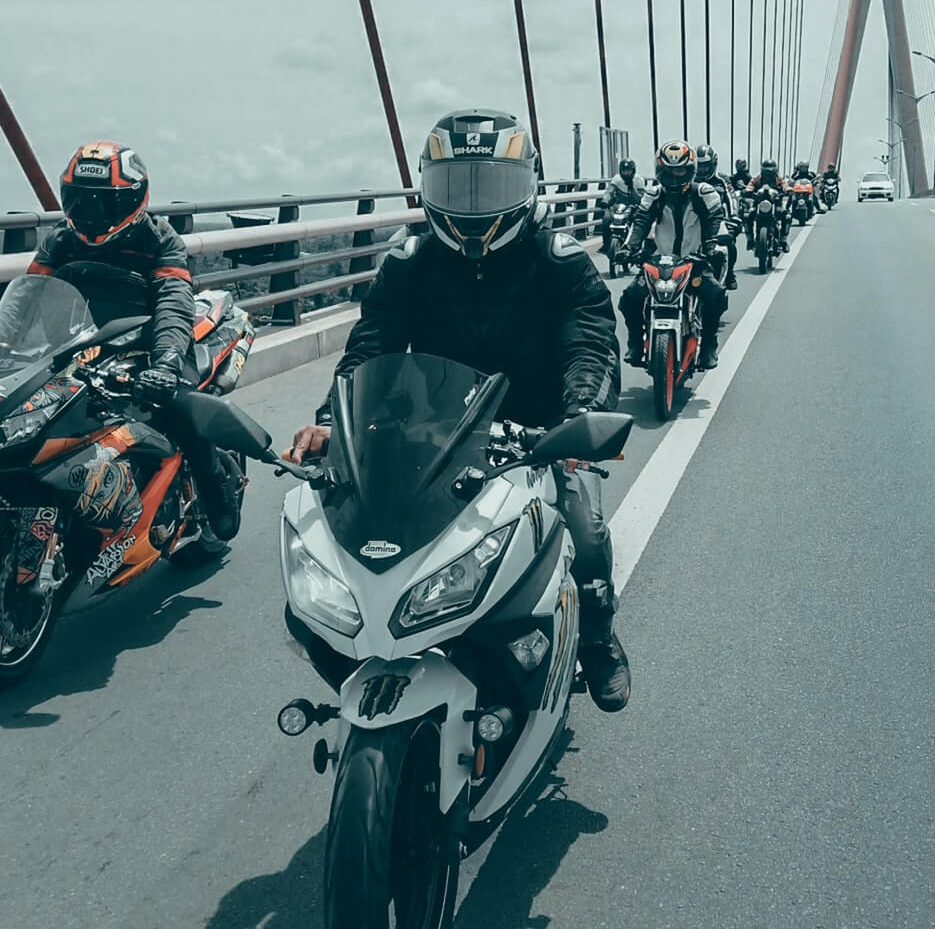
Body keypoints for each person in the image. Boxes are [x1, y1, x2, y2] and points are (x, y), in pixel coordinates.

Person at [286, 109, 631, 712]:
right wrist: (331, 422)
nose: (473, 204)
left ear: (527, 183)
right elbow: (371, 348)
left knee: (587, 533)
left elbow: (591, 344)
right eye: (455, 185)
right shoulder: (409, 263)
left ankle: (599, 642)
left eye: (491, 184)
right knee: (352, 551)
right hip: (435, 434)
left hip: (539, 431)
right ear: (427, 186)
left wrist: (577, 417)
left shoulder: (558, 259)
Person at [26, 141, 244, 542]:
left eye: (104, 203)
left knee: (180, 402)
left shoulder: (159, 239)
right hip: (85, 345)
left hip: (151, 343)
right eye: (81, 201)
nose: (91, 214)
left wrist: (164, 363)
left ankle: (216, 489)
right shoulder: (60, 240)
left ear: (133, 200)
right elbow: (29, 298)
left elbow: (174, 303)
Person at [621, 141, 729, 370]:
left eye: (679, 170)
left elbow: (714, 220)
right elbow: (640, 222)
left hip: (695, 261)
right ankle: (635, 343)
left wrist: (711, 247)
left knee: (716, 294)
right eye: (668, 171)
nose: (673, 176)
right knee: (630, 295)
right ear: (660, 170)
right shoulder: (654, 194)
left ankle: (709, 344)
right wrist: (629, 248)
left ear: (689, 169)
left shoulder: (704, 192)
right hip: (660, 262)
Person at [694, 145, 740, 291]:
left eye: (705, 166)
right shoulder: (689, 180)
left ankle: (730, 274)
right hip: (692, 222)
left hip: (717, 221)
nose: (702, 170)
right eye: (699, 166)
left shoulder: (722, 180)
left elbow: (731, 197)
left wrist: (733, 216)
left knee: (729, 243)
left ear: (712, 164)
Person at [742, 158, 790, 253]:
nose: (768, 172)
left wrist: (787, 190)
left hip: (776, 206)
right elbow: (751, 185)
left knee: (787, 216)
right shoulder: (758, 178)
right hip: (759, 206)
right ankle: (750, 239)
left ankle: (783, 241)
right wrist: (748, 191)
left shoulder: (778, 179)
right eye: (766, 169)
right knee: (746, 216)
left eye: (770, 169)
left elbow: (785, 185)